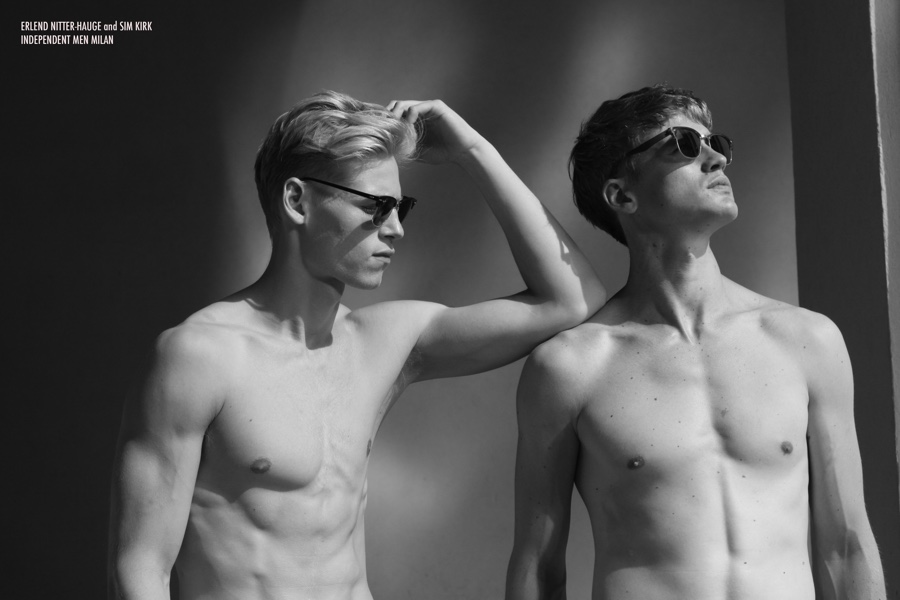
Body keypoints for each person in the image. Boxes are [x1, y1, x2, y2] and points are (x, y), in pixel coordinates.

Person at [107, 90, 606, 600]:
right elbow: (139, 570)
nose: (395, 229)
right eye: (375, 207)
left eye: (401, 207)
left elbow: (571, 299)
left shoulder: (384, 343)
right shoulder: (199, 357)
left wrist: (472, 150)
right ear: (297, 201)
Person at [505, 85, 886, 600]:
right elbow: (538, 565)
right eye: (683, 145)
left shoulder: (806, 340)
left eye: (716, 143)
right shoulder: (570, 366)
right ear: (621, 195)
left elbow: (846, 546)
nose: (715, 158)